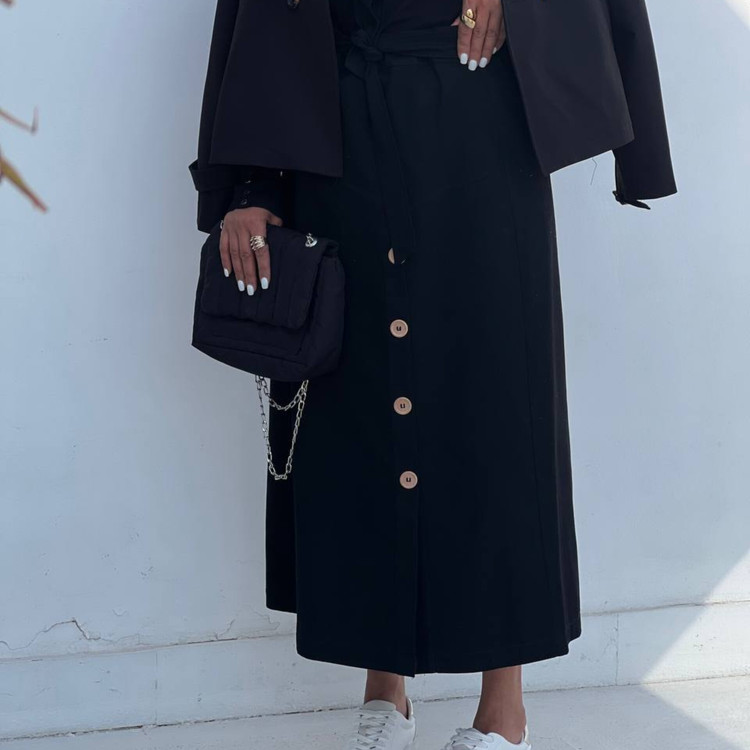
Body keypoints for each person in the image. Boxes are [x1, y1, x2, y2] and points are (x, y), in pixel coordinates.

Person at [189, 0, 676, 748]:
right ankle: (386, 690)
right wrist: (251, 186)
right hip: (337, 133)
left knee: (494, 404)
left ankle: (504, 712)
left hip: (481, 121)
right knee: (356, 410)